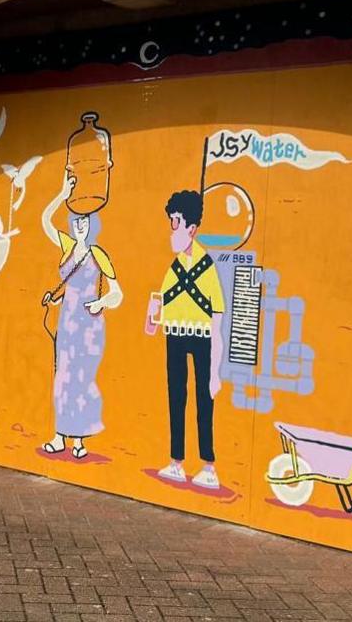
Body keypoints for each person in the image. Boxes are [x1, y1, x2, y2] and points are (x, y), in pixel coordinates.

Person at [39, 173, 122, 459]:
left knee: (82, 379)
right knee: (62, 377)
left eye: (85, 221)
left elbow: (118, 293)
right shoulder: (66, 247)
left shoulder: (99, 254)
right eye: (76, 221)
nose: (80, 225)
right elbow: (44, 221)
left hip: (89, 326)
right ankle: (60, 436)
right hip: (66, 321)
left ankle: (79, 441)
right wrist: (62, 194)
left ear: (92, 224)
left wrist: (101, 303)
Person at [148, 190, 224, 490]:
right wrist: (153, 315)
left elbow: (217, 319)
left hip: (203, 338)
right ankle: (177, 461)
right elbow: (156, 316)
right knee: (175, 398)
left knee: (205, 400)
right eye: (171, 221)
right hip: (175, 336)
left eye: (176, 222)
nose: (172, 229)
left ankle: (208, 465)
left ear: (192, 228)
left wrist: (216, 370)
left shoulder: (207, 268)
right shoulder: (174, 268)